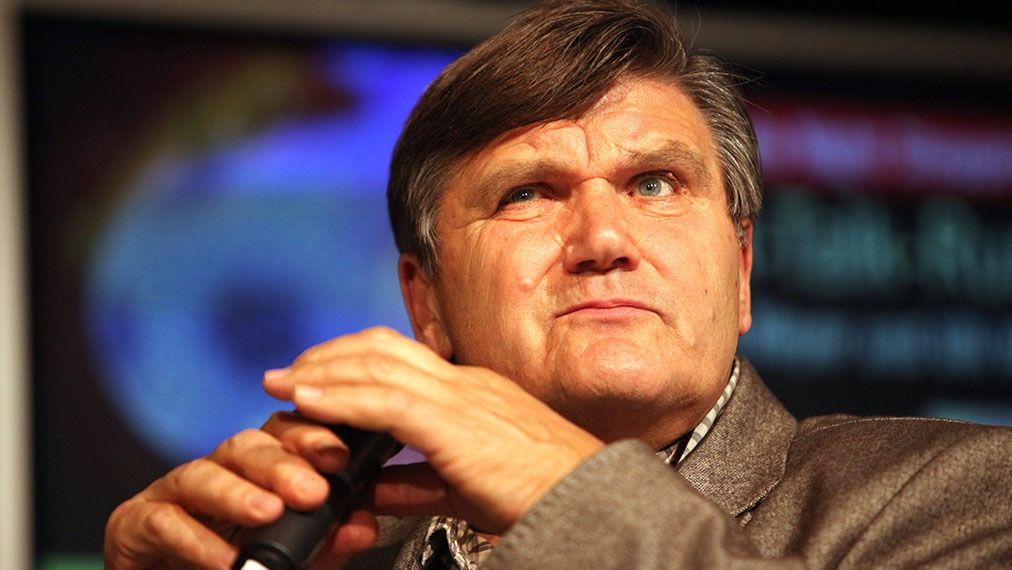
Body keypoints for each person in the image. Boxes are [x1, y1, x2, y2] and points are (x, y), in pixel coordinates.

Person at [104, 1, 1012, 568]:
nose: (603, 240)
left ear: (740, 270)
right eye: (528, 194)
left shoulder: (965, 493)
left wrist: (560, 488)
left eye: (655, 184)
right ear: (426, 304)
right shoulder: (323, 556)